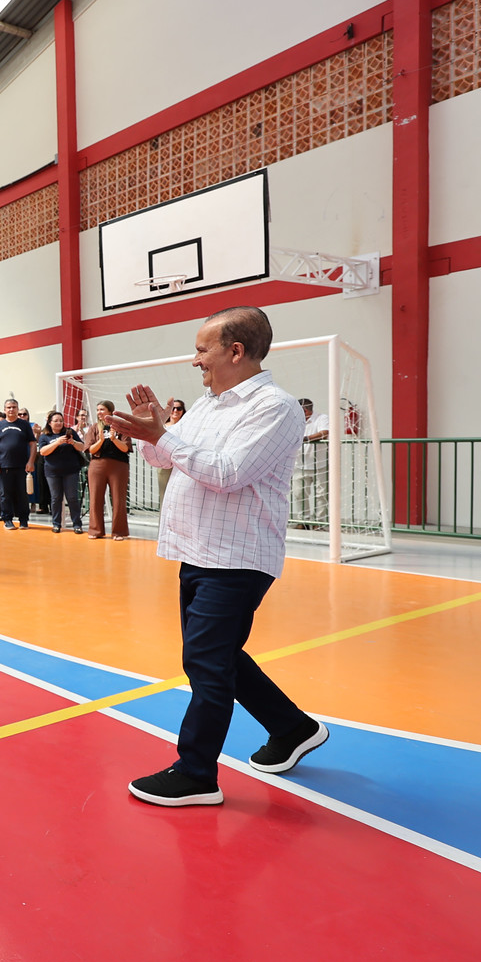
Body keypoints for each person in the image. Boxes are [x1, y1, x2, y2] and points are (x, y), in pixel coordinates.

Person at [108, 306, 330, 807]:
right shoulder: (208, 406)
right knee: (218, 655)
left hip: (236, 556)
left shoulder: (275, 408)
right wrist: (153, 432)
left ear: (236, 351)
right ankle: (292, 727)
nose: (195, 361)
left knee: (206, 663)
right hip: (198, 550)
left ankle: (196, 773)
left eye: (202, 350)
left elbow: (227, 473)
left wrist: (164, 436)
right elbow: (168, 458)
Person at [85, 401, 133, 540]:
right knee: (95, 499)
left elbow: (125, 448)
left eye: (102, 409)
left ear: (110, 411)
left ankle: (119, 532)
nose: (99, 412)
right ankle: (96, 530)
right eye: (98, 409)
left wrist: (113, 439)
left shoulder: (121, 427)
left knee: (119, 500)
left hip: (118, 467)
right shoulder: (94, 428)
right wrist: (100, 440)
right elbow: (91, 450)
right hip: (97, 466)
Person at [0, 399, 36, 530]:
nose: (11, 409)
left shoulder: (24, 425)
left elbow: (32, 444)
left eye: (14, 407)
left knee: (22, 494)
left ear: (17, 409)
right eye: (8, 407)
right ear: (4, 410)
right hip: (4, 466)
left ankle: (23, 520)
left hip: (22, 466)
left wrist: (31, 461)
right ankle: (7, 519)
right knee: (5, 494)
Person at [38, 411, 86, 533]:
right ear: (50, 423)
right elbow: (43, 451)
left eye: (61, 420)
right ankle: (56, 524)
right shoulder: (44, 436)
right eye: (56, 421)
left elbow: (82, 447)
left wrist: (73, 442)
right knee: (56, 498)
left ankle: (77, 524)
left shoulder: (70, 432)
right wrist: (57, 442)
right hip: (52, 472)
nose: (59, 423)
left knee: (72, 497)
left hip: (71, 471)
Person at [293, 398, 331, 527]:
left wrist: (306, 438)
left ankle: (319, 523)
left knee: (321, 495)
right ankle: (303, 522)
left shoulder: (321, 418)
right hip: (300, 464)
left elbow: (324, 433)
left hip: (320, 464)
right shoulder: (296, 421)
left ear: (304, 410)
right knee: (299, 494)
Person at [156, 400, 186, 504]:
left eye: (179, 408)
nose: (175, 411)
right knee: (164, 497)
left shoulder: (186, 426)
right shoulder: (162, 427)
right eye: (173, 408)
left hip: (182, 467)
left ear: (183, 411)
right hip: (165, 466)